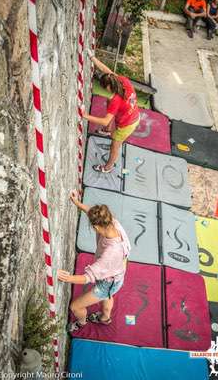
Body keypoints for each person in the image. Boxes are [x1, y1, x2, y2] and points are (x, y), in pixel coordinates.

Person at [58, 191, 131, 332]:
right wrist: (78, 204)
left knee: (76, 306)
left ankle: (81, 322)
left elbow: (87, 278)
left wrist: (66, 278)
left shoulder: (111, 253)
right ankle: (105, 318)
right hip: (116, 276)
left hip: (107, 282)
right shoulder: (112, 222)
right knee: (108, 295)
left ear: (96, 227)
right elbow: (93, 213)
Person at [82, 50, 140, 173]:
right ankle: (108, 130)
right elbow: (106, 69)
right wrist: (92, 57)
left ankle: (107, 167)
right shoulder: (121, 80)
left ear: (109, 86)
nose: (105, 90)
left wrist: (85, 116)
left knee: (115, 146)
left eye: (105, 88)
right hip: (134, 115)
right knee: (109, 102)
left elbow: (105, 120)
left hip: (126, 125)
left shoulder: (116, 100)